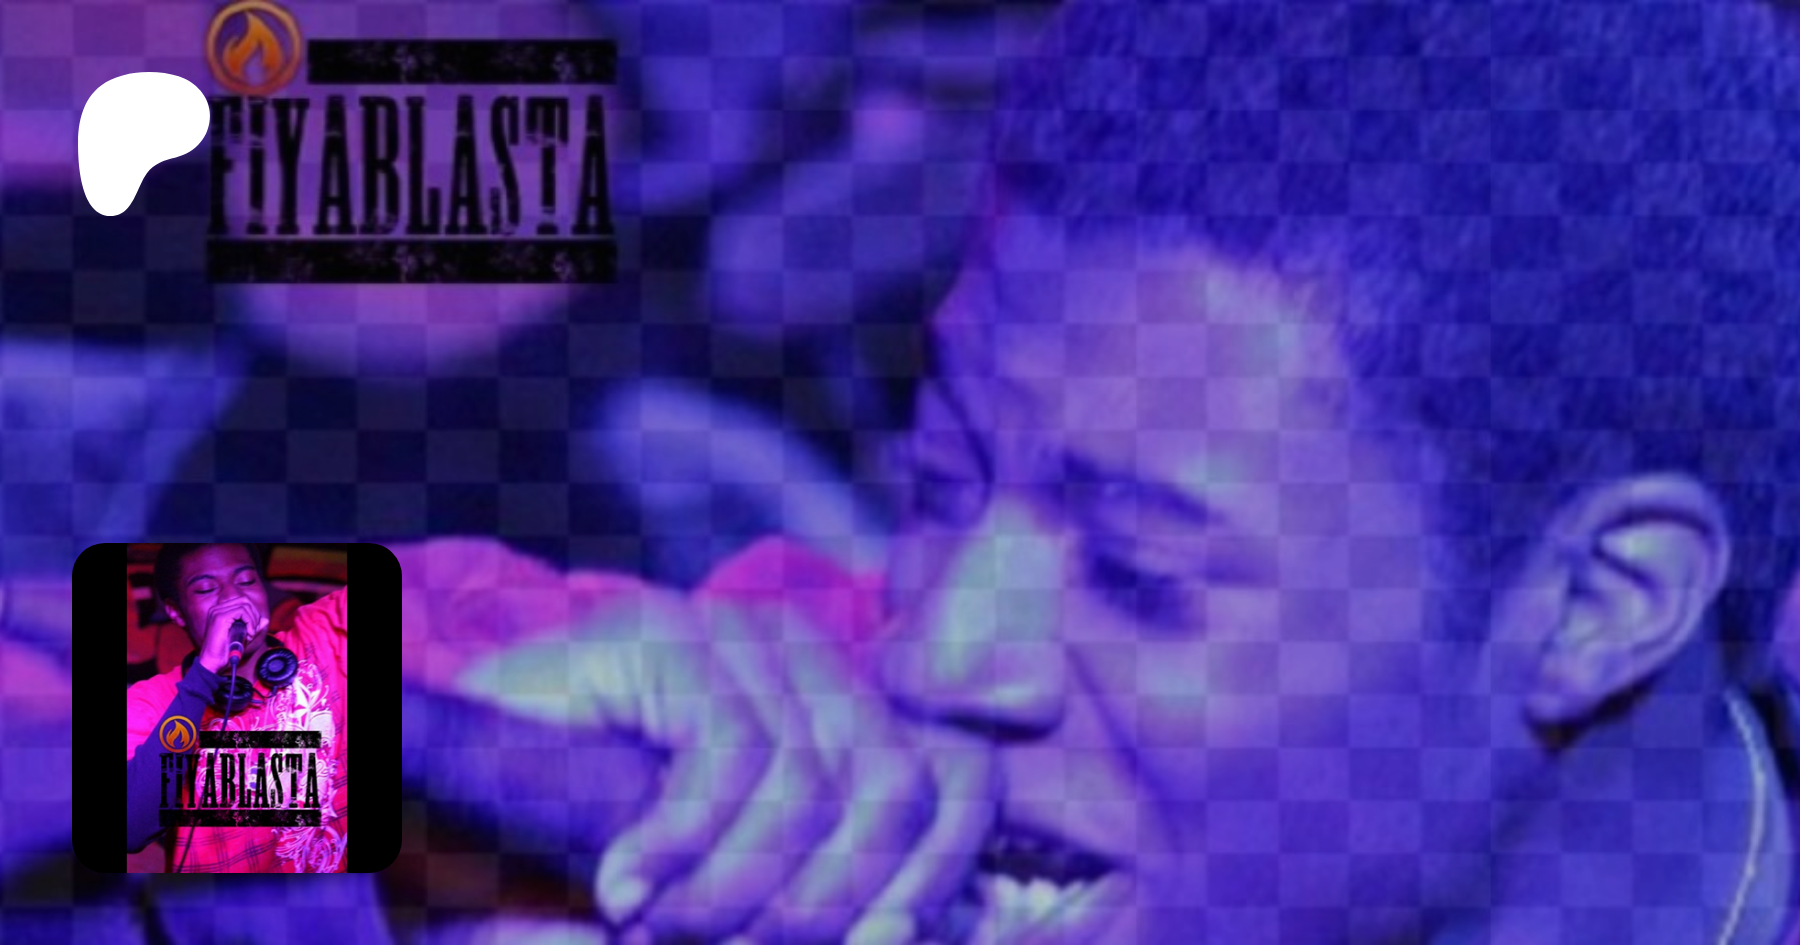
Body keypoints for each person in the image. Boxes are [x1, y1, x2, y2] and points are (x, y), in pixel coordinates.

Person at [422, 0, 1800, 943]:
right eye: (941, 480)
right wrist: (417, 764)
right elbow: (268, 696)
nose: (938, 651)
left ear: (1598, 604)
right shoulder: (779, 728)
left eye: (1141, 572)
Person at [124, 543, 350, 873]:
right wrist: (203, 674)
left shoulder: (323, 633)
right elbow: (130, 829)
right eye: (206, 588)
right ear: (176, 612)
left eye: (246, 581)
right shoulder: (150, 702)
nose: (234, 598)